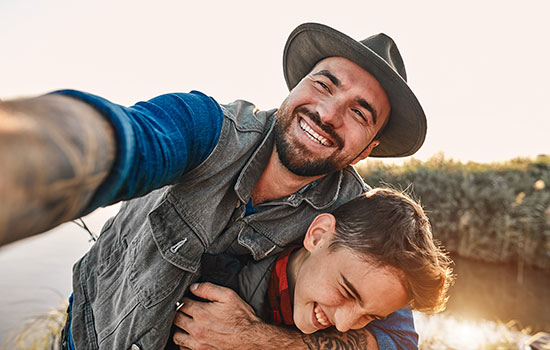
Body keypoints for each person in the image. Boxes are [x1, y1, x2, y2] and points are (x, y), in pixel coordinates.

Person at [0, 23, 427, 350]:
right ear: (294, 87)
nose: (328, 113)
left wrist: (257, 339)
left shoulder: (351, 212)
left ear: (365, 150)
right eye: (323, 83)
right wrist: (27, 155)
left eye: (360, 112)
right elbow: (120, 141)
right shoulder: (206, 130)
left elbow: (400, 340)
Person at [169, 188, 453, 349]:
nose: (343, 325)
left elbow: (402, 344)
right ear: (317, 236)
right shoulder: (223, 273)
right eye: (347, 291)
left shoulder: (383, 282)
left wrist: (255, 339)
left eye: (370, 317)